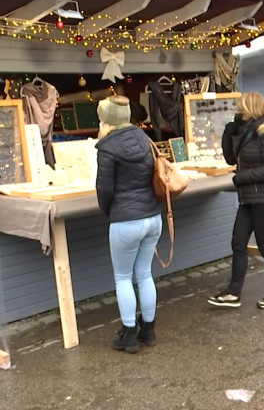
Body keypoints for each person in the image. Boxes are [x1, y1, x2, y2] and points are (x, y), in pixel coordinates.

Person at [95, 95, 163, 353]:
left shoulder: (107, 148)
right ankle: (149, 330)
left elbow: (104, 190)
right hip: (152, 218)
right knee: (145, 274)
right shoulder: (144, 139)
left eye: (101, 118)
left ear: (108, 121)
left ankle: (129, 335)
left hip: (126, 220)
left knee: (123, 278)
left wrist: (109, 212)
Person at [209, 92, 264, 309]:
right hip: (247, 198)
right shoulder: (246, 132)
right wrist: (228, 131)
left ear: (250, 108)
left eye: (239, 107)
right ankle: (233, 293)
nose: (236, 110)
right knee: (238, 244)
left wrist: (240, 178)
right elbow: (230, 158)